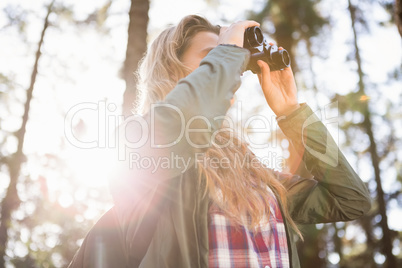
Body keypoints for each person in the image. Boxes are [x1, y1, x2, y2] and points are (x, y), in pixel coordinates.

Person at [68, 15, 371, 268]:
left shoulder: (257, 179)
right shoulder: (139, 147)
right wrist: (228, 50)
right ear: (173, 68)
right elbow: (178, 127)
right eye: (212, 57)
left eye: (229, 57)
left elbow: (350, 200)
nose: (232, 67)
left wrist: (291, 113)